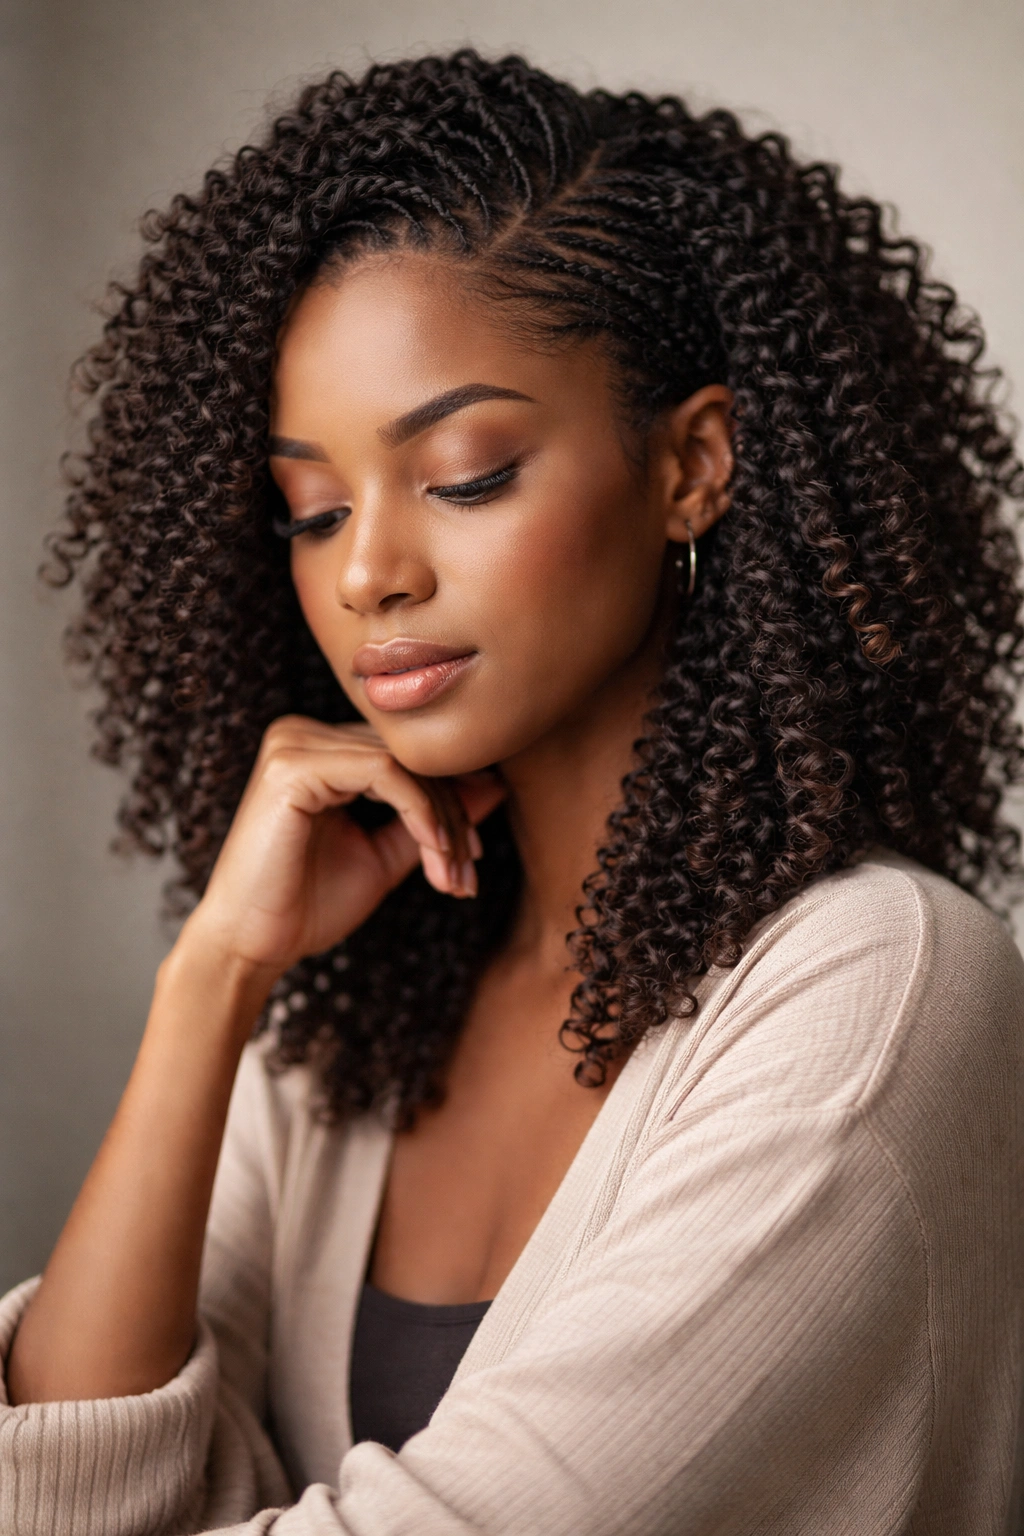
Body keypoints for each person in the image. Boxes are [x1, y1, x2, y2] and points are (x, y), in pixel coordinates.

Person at [1, 47, 1023, 1536]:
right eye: (313, 508)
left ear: (695, 467)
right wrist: (213, 980)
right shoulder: (352, 1023)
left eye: (466, 473)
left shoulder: (876, 993)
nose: (366, 573)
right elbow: (59, 1497)